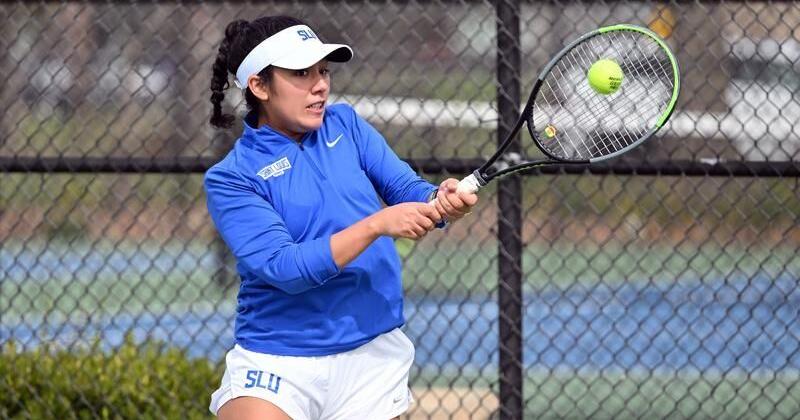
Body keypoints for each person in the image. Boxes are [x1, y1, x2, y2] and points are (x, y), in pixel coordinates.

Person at [205, 15, 478, 420]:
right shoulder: (232, 178)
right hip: (277, 359)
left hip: (372, 354)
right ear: (259, 86)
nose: (320, 85)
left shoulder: (347, 125)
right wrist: (376, 225)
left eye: (323, 71)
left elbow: (408, 190)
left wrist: (442, 200)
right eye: (301, 73)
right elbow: (284, 268)